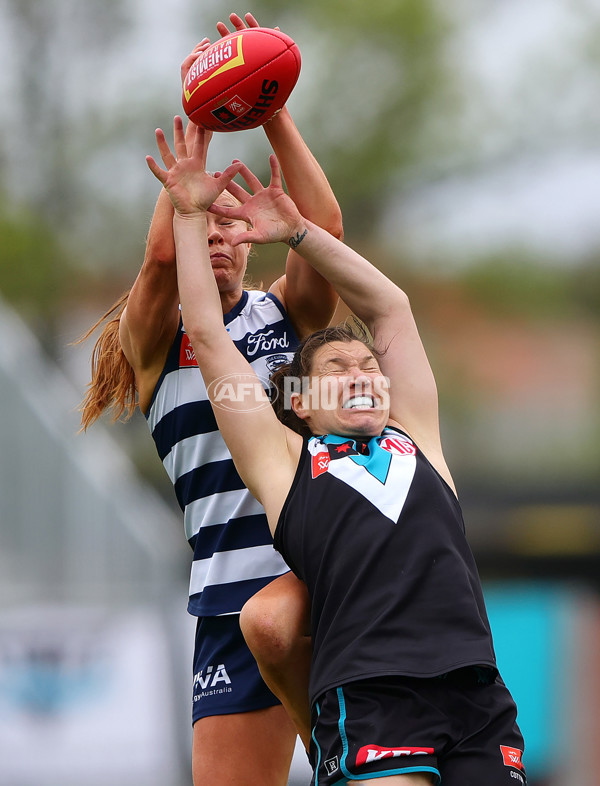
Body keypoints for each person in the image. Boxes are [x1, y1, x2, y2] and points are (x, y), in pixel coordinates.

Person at [145, 116, 528, 786]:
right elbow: (206, 334)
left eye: (368, 365)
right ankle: (324, 743)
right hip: (374, 694)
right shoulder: (289, 469)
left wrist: (298, 231)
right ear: (298, 401)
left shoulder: (417, 438)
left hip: (474, 694)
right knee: (267, 621)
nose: (359, 373)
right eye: (336, 369)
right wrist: (189, 212)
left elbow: (392, 309)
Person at [78, 13, 342, 785]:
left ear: (255, 237)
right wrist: (202, 110)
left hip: (319, 571)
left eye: (233, 224)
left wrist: (269, 106)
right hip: (228, 595)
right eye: (207, 223)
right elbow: (164, 255)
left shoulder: (285, 313)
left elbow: (324, 228)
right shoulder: (155, 337)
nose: (220, 236)